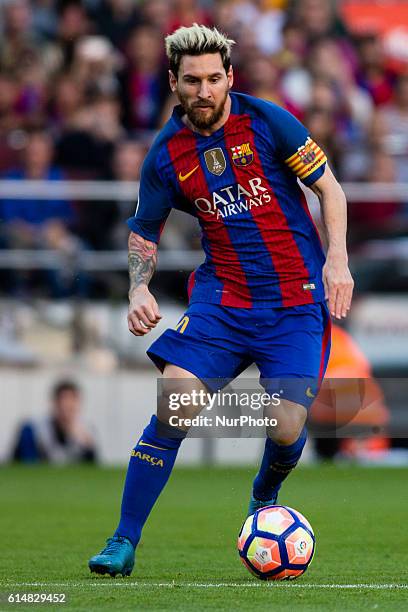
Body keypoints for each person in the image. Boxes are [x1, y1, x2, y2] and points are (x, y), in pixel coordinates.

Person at [88, 24, 353, 577]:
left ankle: (264, 496)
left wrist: (337, 260)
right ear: (174, 82)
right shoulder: (166, 155)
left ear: (230, 76)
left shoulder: (268, 121)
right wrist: (138, 285)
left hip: (294, 302)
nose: (205, 90)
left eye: (214, 78)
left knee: (285, 425)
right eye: (192, 80)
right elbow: (145, 231)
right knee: (175, 403)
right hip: (224, 301)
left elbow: (328, 187)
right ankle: (122, 540)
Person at [12, 379, 97, 463]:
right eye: (63, 402)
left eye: (71, 404)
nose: (67, 407)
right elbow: (27, 463)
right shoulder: (35, 429)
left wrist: (88, 447)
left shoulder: (86, 431)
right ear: (55, 403)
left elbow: (93, 467)